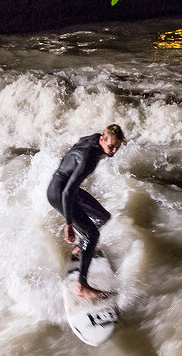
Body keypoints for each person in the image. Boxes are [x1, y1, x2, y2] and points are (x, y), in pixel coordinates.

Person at [47, 124, 126, 301]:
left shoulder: (95, 138)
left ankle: (83, 247)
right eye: (111, 146)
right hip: (59, 192)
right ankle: (82, 286)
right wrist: (68, 224)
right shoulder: (89, 158)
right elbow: (67, 192)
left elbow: (78, 143)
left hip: (66, 187)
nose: (113, 151)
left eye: (117, 147)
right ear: (103, 140)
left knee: (103, 216)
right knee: (93, 234)